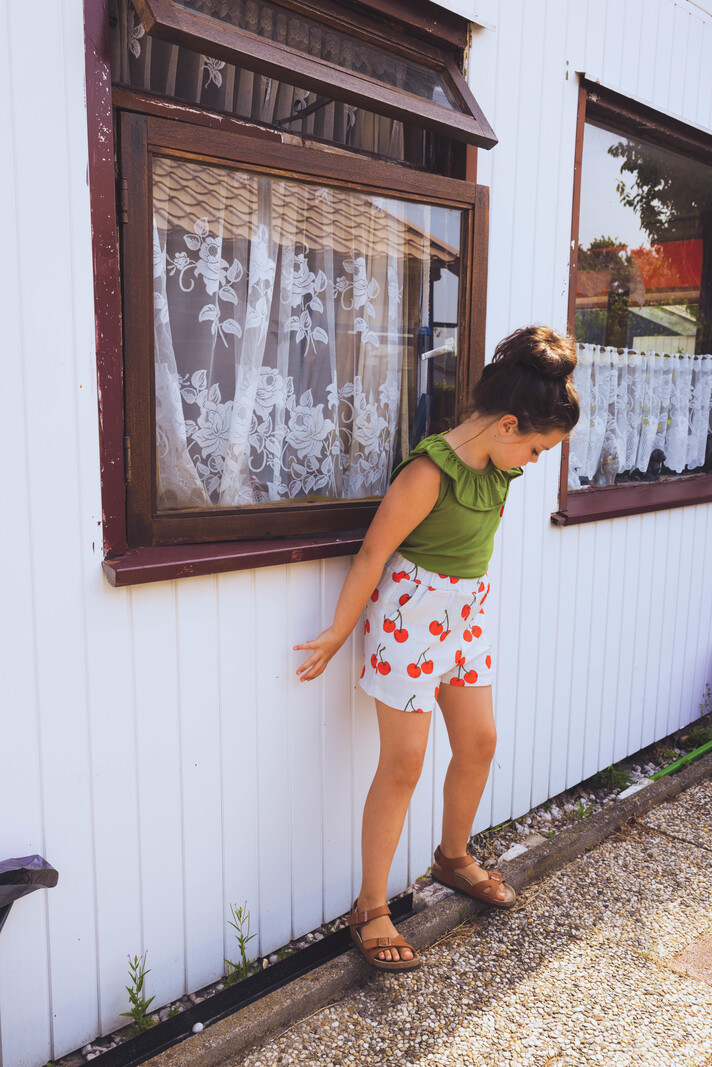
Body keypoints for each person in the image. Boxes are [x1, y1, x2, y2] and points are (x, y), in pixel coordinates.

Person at [294, 325, 580, 972]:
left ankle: (452, 856)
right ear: (508, 424)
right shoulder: (430, 470)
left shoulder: (499, 465)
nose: (535, 462)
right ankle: (370, 904)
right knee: (405, 761)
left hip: (465, 612)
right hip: (410, 614)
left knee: (479, 741)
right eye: (536, 448)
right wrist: (341, 630)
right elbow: (374, 550)